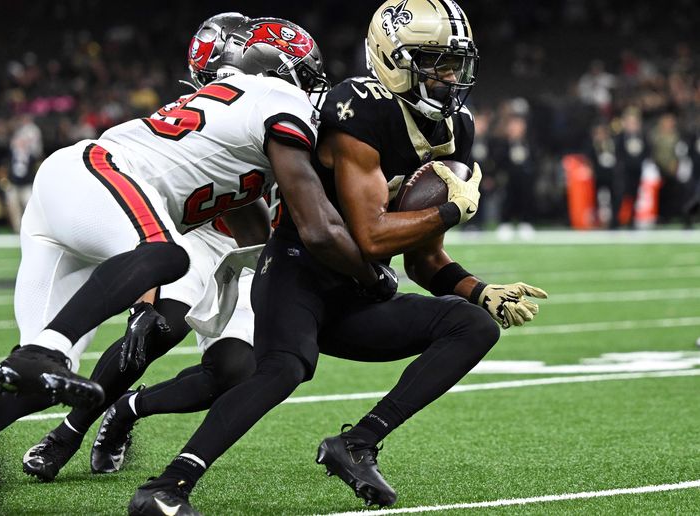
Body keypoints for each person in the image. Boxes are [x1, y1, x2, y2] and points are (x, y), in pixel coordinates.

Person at [0, 18, 395, 516]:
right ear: (292, 73)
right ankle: (47, 351)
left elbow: (253, 222)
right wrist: (368, 273)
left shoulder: (233, 112)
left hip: (70, 203)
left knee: (26, 387)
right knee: (167, 254)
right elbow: (315, 226)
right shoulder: (281, 98)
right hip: (98, 175)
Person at [129, 2, 547, 514]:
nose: (449, 77)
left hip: (359, 289)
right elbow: (370, 237)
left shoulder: (455, 127)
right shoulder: (359, 107)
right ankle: (167, 486)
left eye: (456, 64)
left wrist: (480, 291)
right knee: (282, 370)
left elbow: (422, 260)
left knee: (472, 326)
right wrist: (449, 211)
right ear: (393, 60)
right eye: (434, 62)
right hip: (299, 271)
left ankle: (357, 443)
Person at [20, 12, 276, 483]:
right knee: (158, 329)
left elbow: (263, 217)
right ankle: (68, 431)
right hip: (194, 234)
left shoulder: (295, 116)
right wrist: (145, 293)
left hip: (253, 252)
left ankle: (127, 409)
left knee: (234, 371)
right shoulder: (212, 118)